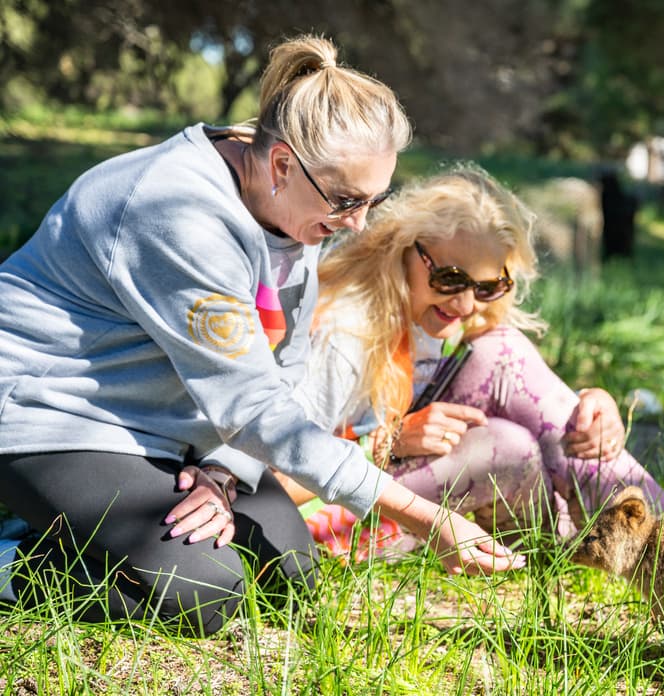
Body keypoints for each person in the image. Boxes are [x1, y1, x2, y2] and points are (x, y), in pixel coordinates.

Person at [0, 35, 521, 638]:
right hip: (53, 412)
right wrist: (427, 518)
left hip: (168, 425)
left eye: (374, 200)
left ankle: (94, 524)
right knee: (201, 593)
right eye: (348, 200)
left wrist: (223, 472)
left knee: (288, 579)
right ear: (281, 164)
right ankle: (17, 555)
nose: (358, 223)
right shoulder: (176, 212)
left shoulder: (293, 208)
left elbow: (280, 366)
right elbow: (253, 405)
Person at [274, 164, 664, 560]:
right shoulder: (347, 333)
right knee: (507, 447)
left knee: (502, 351)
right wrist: (386, 444)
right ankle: (641, 551)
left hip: (399, 489)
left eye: (487, 286)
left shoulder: (445, 318)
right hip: (314, 527)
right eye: (448, 279)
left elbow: (520, 379)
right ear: (401, 250)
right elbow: (271, 480)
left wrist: (590, 406)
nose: (466, 303)